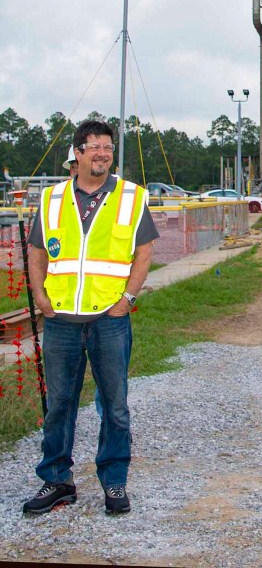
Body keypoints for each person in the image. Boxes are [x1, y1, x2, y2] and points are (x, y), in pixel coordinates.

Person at [22, 119, 158, 516]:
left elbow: (144, 251)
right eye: (94, 146)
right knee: (60, 404)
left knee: (114, 403)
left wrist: (126, 299)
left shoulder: (132, 197)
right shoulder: (50, 199)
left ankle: (114, 483)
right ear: (77, 153)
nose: (102, 153)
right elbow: (37, 252)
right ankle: (57, 480)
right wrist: (41, 298)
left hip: (109, 319)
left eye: (108, 147)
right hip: (62, 320)